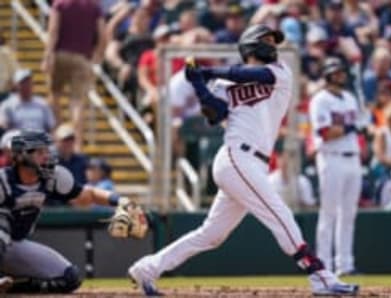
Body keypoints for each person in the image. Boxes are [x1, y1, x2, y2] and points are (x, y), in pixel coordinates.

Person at [128, 24, 358, 296]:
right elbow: (215, 114)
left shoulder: (279, 72)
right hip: (237, 157)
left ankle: (147, 268)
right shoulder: (225, 83)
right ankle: (319, 275)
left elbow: (251, 74)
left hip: (253, 163)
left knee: (211, 235)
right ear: (251, 45)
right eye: (268, 41)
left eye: (275, 42)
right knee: (279, 213)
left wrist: (208, 71)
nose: (273, 46)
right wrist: (199, 84)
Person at [0, 130, 136, 293]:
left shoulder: (52, 178)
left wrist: (121, 201)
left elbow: (88, 194)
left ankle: (9, 288)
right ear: (21, 156)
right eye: (40, 152)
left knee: (69, 278)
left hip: (14, 245)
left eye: (47, 150)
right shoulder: (3, 181)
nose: (47, 156)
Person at [309, 57, 362, 276]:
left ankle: (345, 265)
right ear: (328, 74)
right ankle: (324, 265)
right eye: (337, 72)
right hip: (331, 157)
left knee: (349, 214)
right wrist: (350, 127)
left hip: (353, 157)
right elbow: (326, 133)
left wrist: (354, 127)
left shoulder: (350, 97)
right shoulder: (320, 100)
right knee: (329, 213)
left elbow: (355, 126)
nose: (342, 75)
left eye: (342, 71)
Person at [43, 0, 106, 151]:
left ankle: (59, 135)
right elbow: (103, 35)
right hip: (82, 59)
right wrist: (97, 56)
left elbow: (53, 30)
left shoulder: (60, 4)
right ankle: (77, 144)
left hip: (60, 54)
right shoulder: (93, 6)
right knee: (77, 102)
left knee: (54, 94)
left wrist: (47, 56)